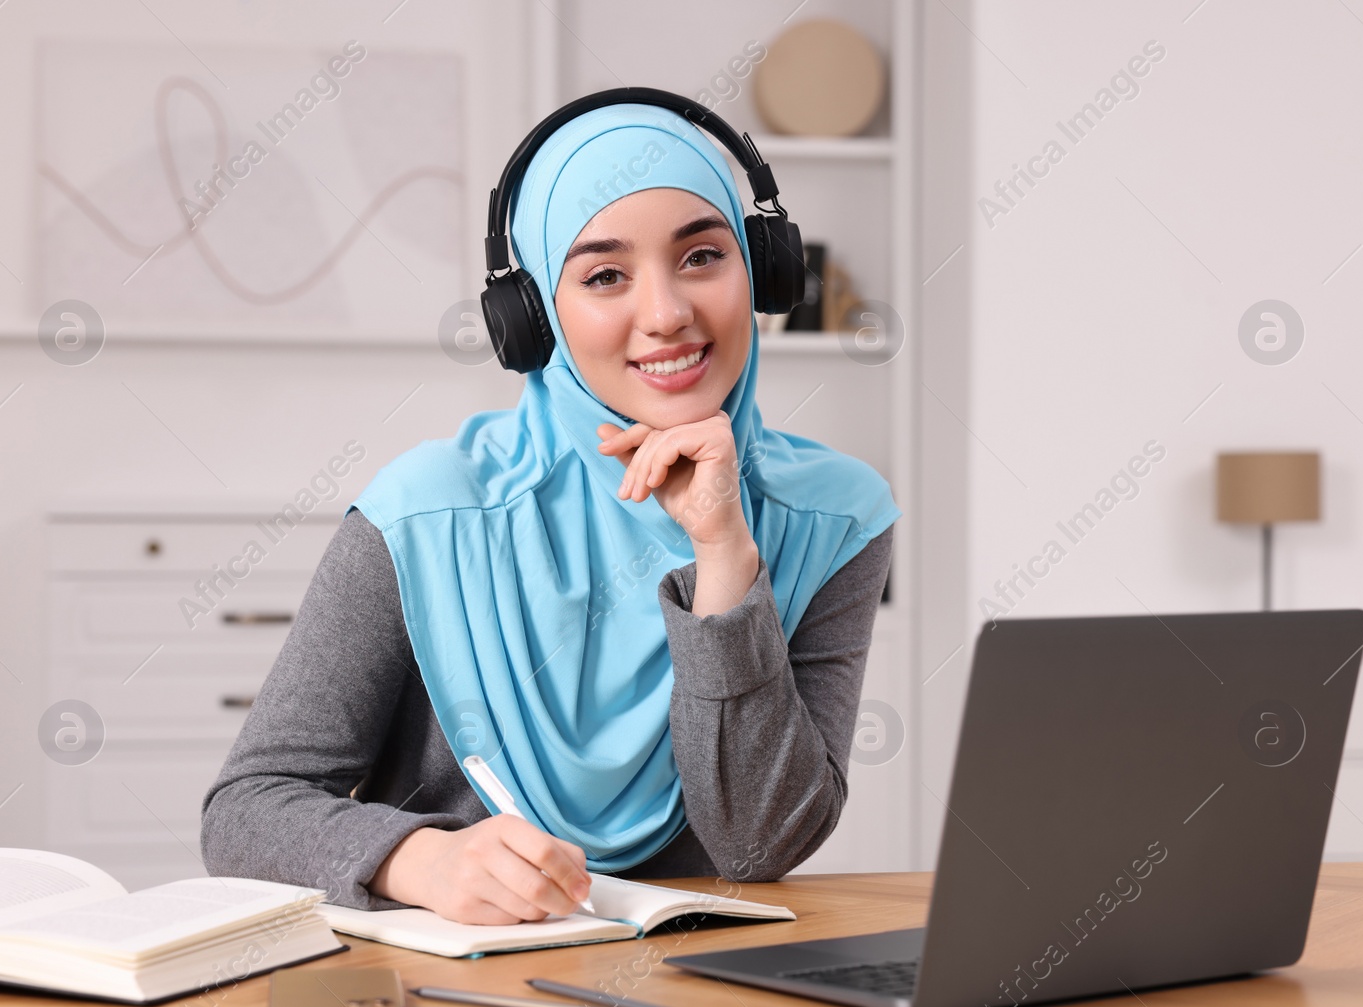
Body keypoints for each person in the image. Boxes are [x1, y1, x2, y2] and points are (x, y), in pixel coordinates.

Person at [200, 98, 900, 926]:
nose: (668, 312)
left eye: (703, 255)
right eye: (605, 274)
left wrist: (725, 557)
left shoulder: (835, 518)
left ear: (762, 270)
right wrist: (422, 859)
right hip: (452, 1005)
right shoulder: (427, 515)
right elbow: (244, 810)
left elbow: (759, 845)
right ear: (533, 320)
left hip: (709, 998)